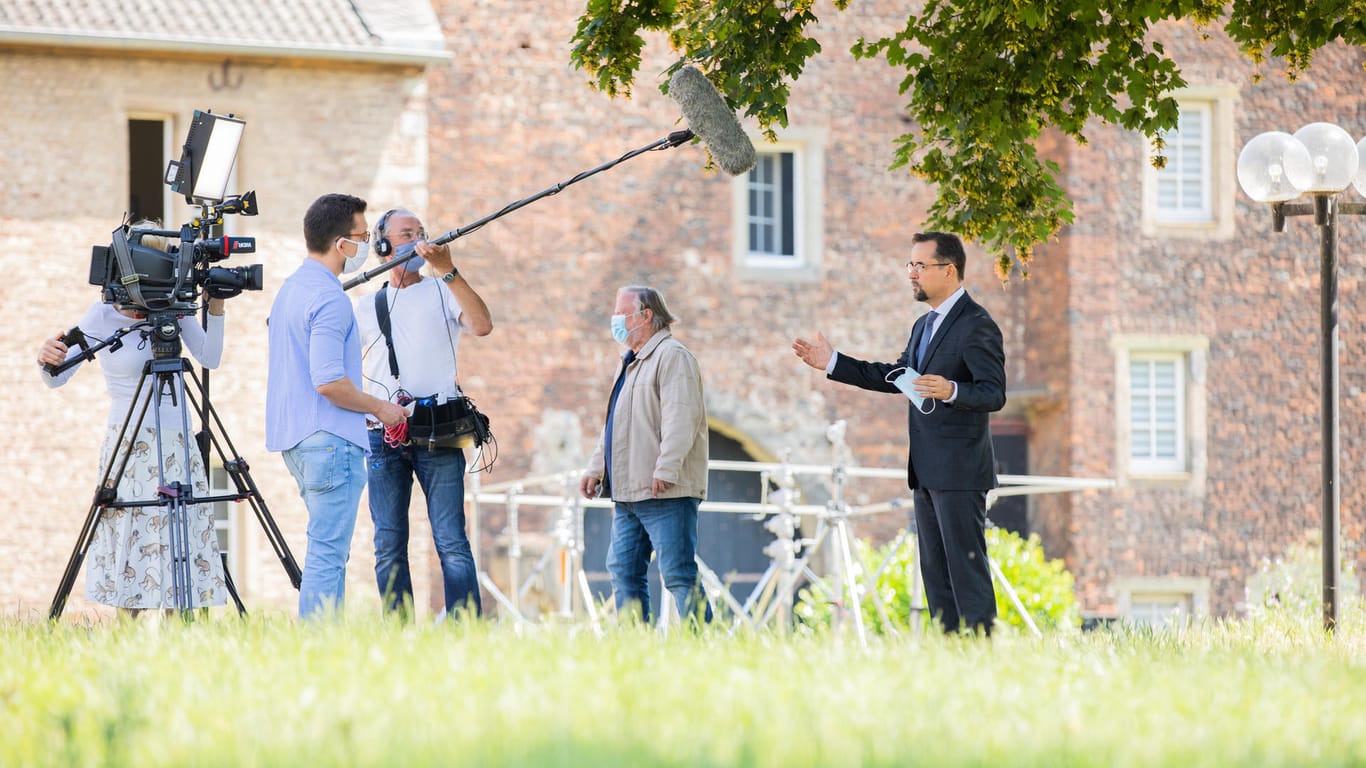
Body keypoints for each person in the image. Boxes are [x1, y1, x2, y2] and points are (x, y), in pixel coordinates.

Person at [793, 231, 1006, 635]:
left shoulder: (978, 325)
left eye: (920, 265)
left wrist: (953, 390)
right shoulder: (923, 326)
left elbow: (994, 393)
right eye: (909, 265)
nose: (912, 273)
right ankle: (948, 656)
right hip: (925, 470)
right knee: (936, 575)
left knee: (966, 571)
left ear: (949, 270)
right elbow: (897, 377)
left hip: (960, 473)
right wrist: (834, 362)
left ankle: (983, 656)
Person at [38, 222, 228, 616]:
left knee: (179, 532)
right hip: (129, 441)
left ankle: (185, 631)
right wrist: (47, 358)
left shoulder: (174, 306)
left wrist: (216, 306)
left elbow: (209, 357)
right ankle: (128, 631)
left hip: (176, 439)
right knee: (132, 533)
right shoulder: (101, 316)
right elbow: (56, 377)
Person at [266, 193, 407, 619]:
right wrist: (382, 408)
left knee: (326, 548)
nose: (368, 244)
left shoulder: (291, 290)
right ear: (340, 243)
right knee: (328, 553)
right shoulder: (330, 299)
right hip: (330, 440)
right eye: (363, 236)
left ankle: (327, 641)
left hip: (297, 439)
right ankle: (319, 646)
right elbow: (328, 381)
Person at [354, 208, 493, 620]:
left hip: (439, 430)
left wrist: (449, 270)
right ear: (382, 245)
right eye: (404, 234)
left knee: (451, 538)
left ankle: (464, 625)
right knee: (389, 541)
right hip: (383, 434)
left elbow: (482, 325)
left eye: (419, 233)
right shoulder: (366, 305)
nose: (415, 240)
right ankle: (397, 628)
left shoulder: (441, 290)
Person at [579, 286, 711, 626]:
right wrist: (596, 468)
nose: (616, 322)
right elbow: (614, 425)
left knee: (679, 574)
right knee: (623, 571)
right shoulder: (629, 363)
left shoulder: (672, 356)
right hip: (628, 491)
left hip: (665, 491)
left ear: (646, 315)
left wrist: (666, 469)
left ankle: (706, 645)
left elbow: (681, 418)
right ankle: (635, 645)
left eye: (621, 314)